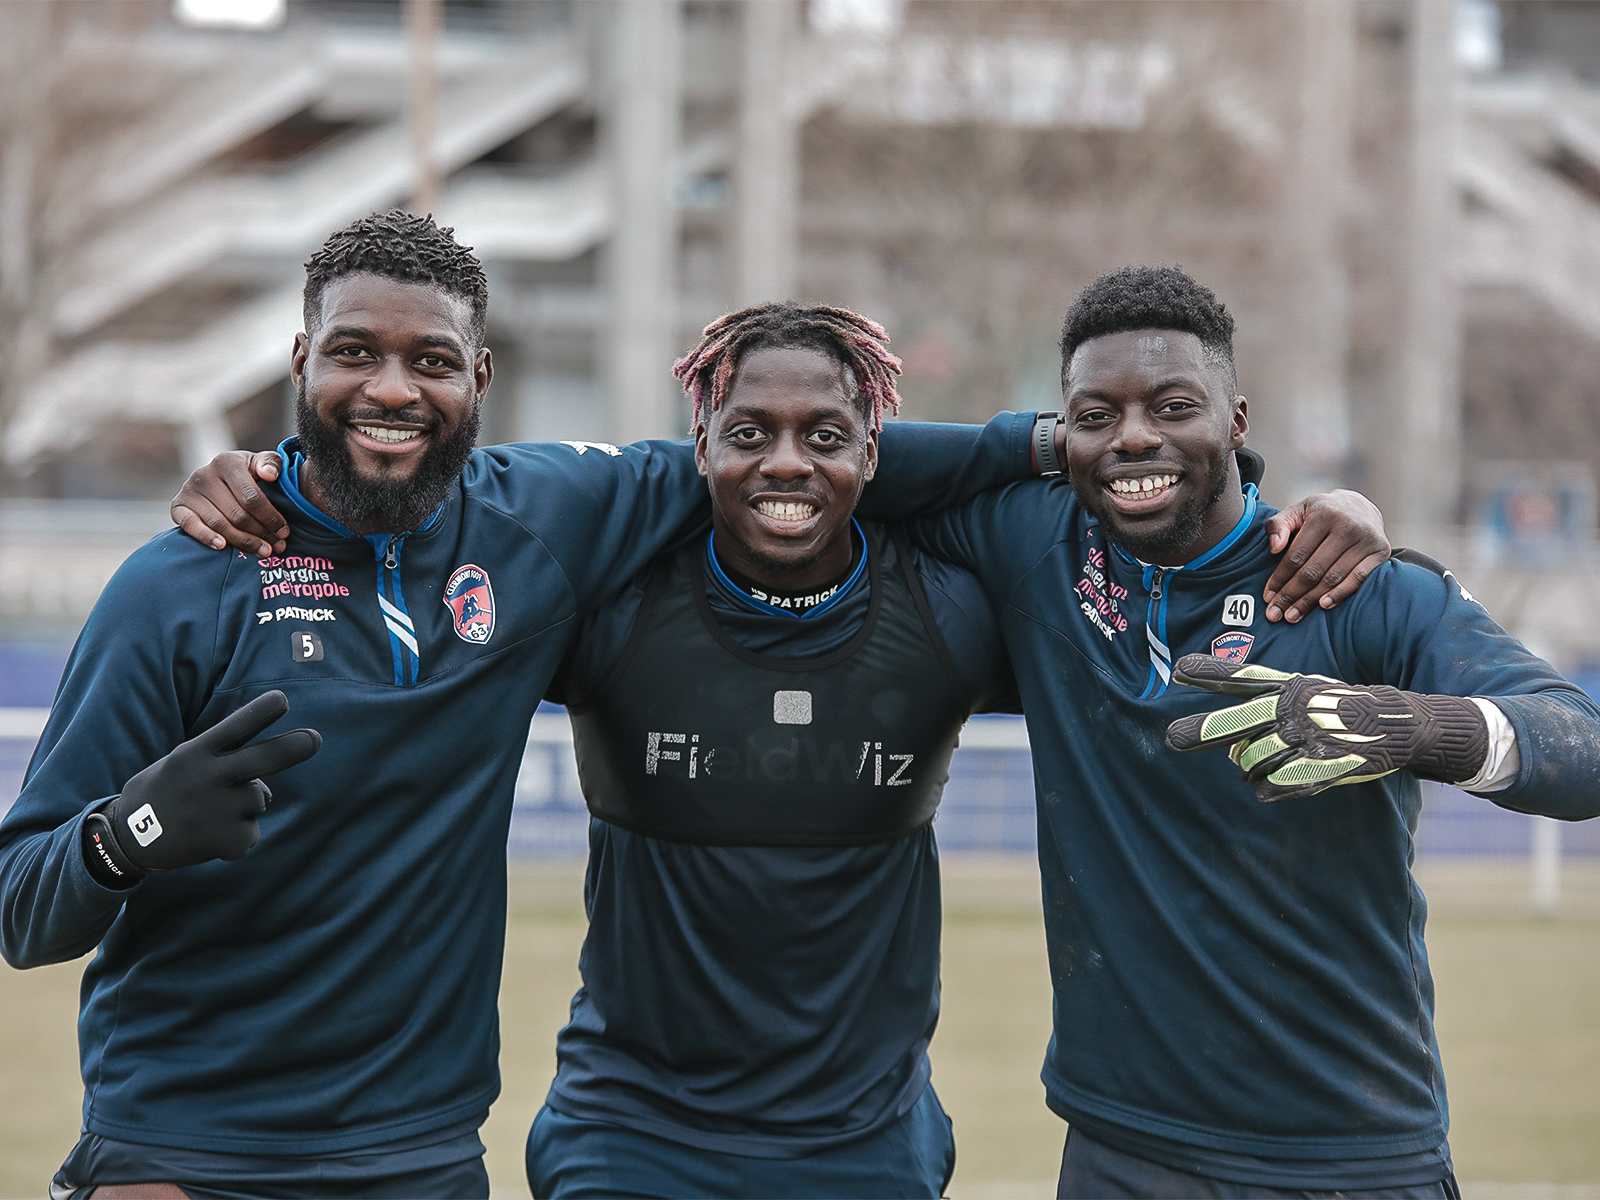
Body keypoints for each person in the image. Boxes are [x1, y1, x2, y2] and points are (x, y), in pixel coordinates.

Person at [168, 306, 1392, 1199]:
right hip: (630, 1136)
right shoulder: (604, 604)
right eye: (746, 431)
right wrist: (278, 482)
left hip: (866, 1145)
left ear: (876, 453)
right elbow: (415, 532)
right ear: (696, 450)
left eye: (829, 435)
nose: (787, 463)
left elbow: (1156, 520)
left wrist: (1305, 506)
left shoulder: (959, 608)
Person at [0, 213, 1046, 1200]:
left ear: (480, 377)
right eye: (354, 351)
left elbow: (798, 458)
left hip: (421, 1153)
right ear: (300, 364)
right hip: (185, 1147)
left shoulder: (541, 522)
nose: (391, 389)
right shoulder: (184, 582)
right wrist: (125, 835)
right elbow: (20, 906)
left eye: (432, 361)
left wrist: (1063, 444)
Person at [904, 265, 1600, 1199]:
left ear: (1237, 422)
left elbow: (1580, 745)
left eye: (1174, 406)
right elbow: (852, 463)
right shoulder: (1033, 545)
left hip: (1350, 1151)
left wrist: (1410, 726)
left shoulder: (1356, 588)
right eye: (1096, 413)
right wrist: (1038, 441)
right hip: (1120, 1147)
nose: (1135, 437)